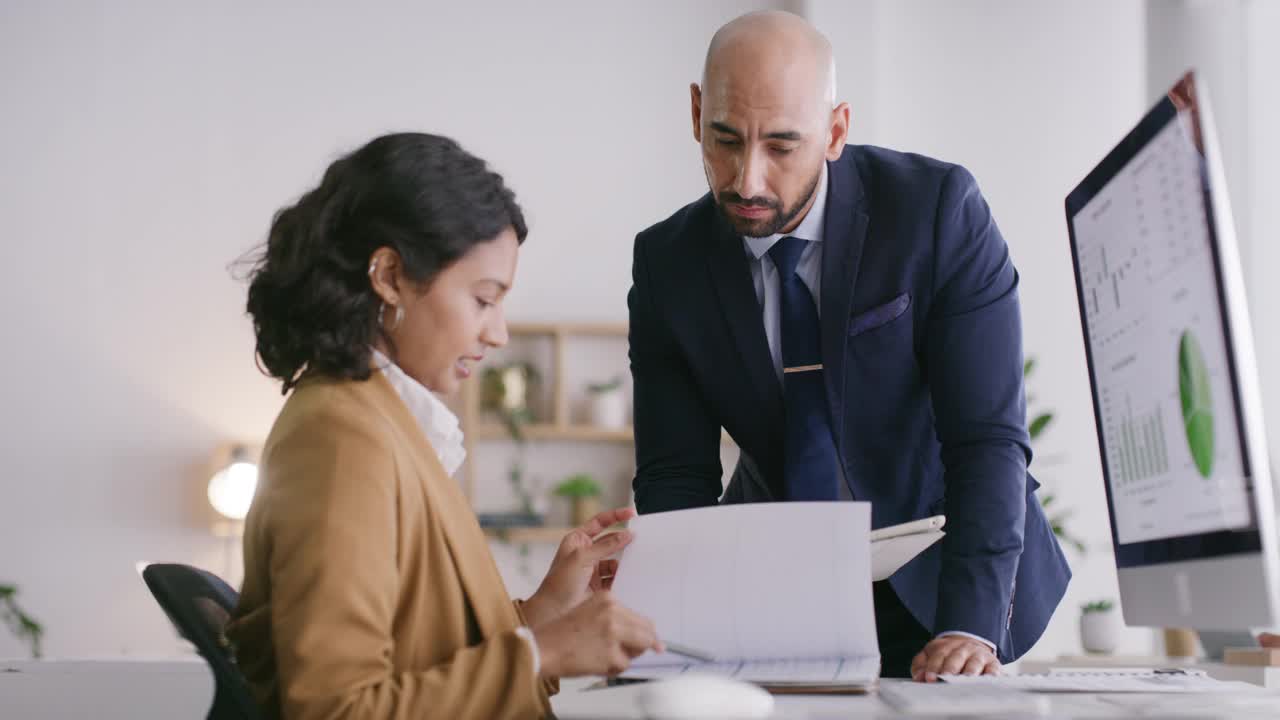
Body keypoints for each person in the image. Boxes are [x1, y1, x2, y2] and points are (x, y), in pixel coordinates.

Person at [627, 11, 1070, 681]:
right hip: (780, 600)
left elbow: (985, 438)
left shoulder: (938, 212)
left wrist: (969, 626)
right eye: (724, 139)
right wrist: (684, 630)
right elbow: (675, 478)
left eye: (781, 146)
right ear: (696, 112)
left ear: (835, 132)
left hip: (949, 581)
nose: (747, 180)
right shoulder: (668, 264)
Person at [227, 133, 662, 720]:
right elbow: (336, 709)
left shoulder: (383, 421)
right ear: (389, 276)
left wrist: (547, 608)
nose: (498, 333)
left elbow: (426, 651)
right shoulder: (339, 440)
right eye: (484, 300)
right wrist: (544, 653)